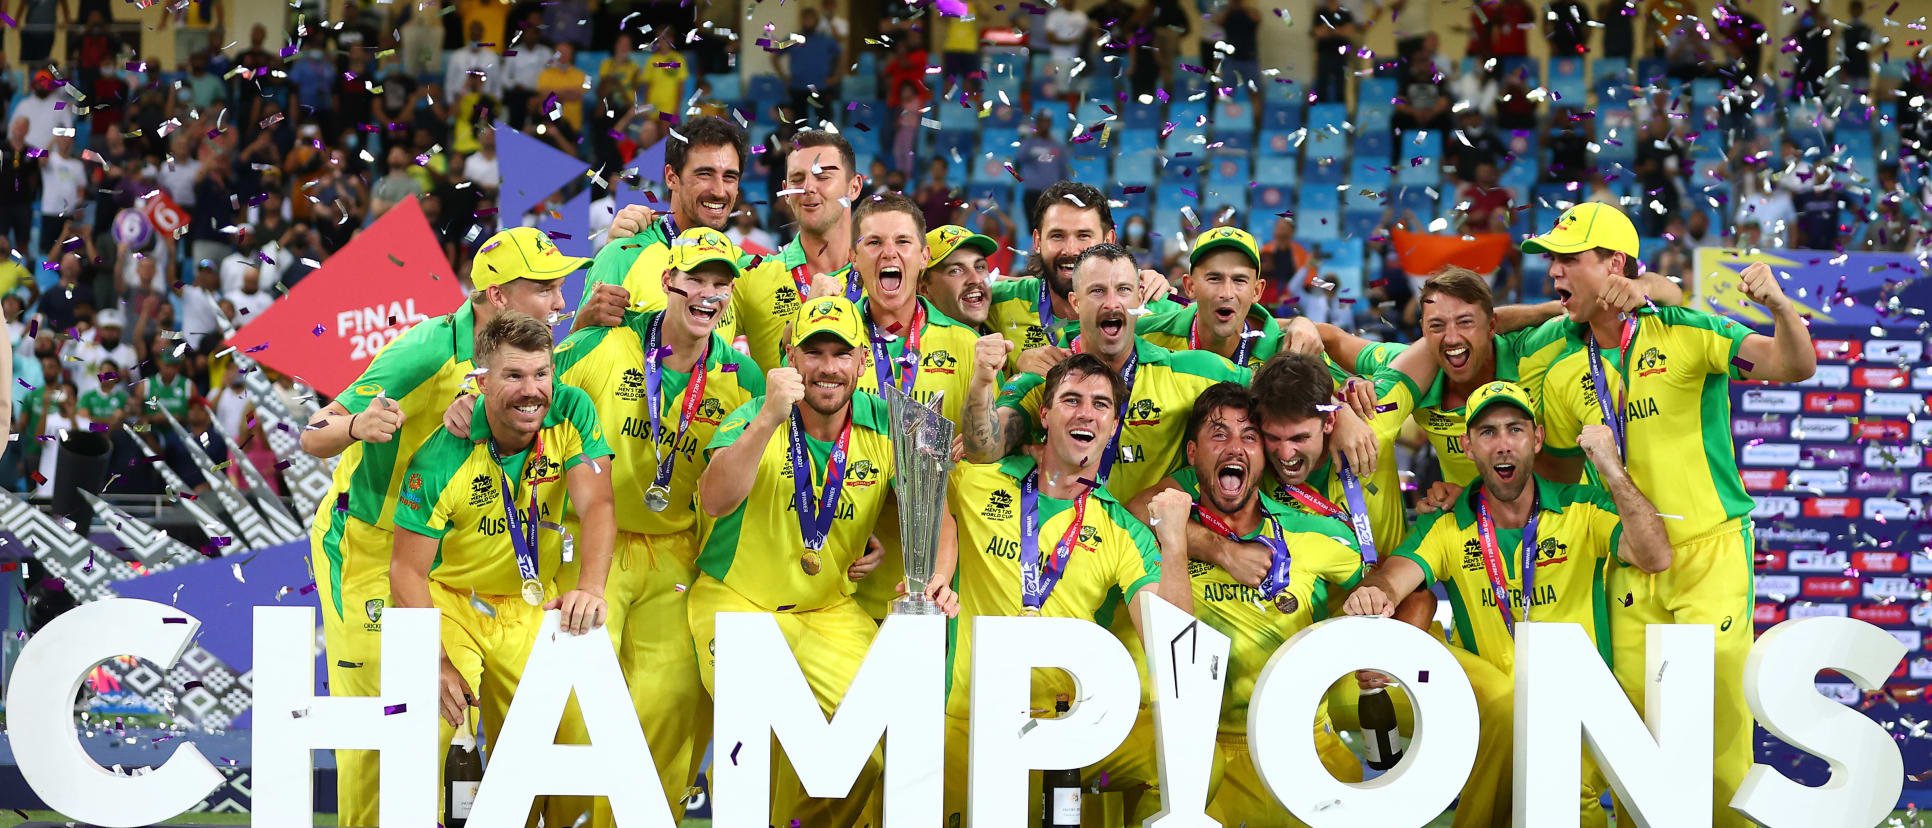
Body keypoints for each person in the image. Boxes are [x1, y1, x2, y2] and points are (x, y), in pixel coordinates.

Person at [1523, 203, 1816, 828]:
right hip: (1629, 560)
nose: (1553, 273)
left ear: (1615, 266)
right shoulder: (1562, 365)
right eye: (1550, 260)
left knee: (1712, 728)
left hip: (1710, 554)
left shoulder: (1685, 331)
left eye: (1568, 260)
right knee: (1637, 729)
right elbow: (1553, 469)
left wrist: (1781, 308)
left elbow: (1794, 365)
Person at [298, 226, 584, 828]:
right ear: (498, 297)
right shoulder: (427, 348)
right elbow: (314, 431)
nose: (560, 301)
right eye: (546, 288)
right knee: (382, 723)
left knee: (445, 718)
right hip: (366, 546)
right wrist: (356, 427)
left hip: (437, 555)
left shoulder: (518, 359)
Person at [1343, 380, 1673, 828]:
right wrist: (1375, 592)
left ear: (1536, 439)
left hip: (1577, 715)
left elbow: (1657, 556)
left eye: (1515, 430)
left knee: (1569, 805)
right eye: (1488, 433)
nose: (1503, 446)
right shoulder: (1449, 526)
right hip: (1495, 722)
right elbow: (1396, 576)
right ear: (1467, 445)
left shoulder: (1582, 509)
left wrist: (1612, 471)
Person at [690, 295, 947, 828]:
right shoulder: (754, 414)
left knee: (885, 743)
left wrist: (937, 576)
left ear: (860, 361)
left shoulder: (891, 422)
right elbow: (714, 500)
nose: (827, 367)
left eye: (840, 353)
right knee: (756, 736)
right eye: (813, 353)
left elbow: (936, 505)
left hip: (828, 610)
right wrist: (766, 419)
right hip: (739, 604)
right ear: (790, 355)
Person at [542, 227, 762, 825]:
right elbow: (528, 383)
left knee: (668, 705)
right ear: (668, 281)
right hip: (592, 549)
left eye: (721, 285)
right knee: (574, 710)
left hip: (677, 556)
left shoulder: (742, 378)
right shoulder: (602, 344)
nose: (708, 295)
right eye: (695, 280)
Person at [942, 351, 1196, 825]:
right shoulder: (977, 480)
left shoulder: (1123, 531)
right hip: (969, 724)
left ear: (1114, 423)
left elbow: (1175, 649)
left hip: (1069, 732)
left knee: (1189, 767)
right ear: (1044, 413)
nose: (1086, 413)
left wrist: (1176, 541)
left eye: (1100, 404)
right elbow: (922, 492)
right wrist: (941, 556)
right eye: (1071, 400)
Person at [390, 310, 615, 826]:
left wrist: (591, 587)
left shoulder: (571, 410)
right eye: (513, 376)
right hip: (453, 602)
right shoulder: (442, 458)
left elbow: (597, 505)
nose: (531, 390)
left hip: (532, 603)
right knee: (432, 726)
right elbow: (406, 570)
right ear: (482, 380)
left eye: (540, 374)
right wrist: (437, 661)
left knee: (566, 741)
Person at [1125, 382, 1367, 827]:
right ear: (1193, 455)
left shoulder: (1315, 531)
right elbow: (1134, 510)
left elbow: (1392, 584)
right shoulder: (1162, 530)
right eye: (1219, 435)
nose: (1235, 446)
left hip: (1304, 749)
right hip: (1201, 752)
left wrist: (1378, 620)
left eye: (1249, 436)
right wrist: (1217, 548)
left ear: (1264, 457)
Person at [967, 243, 1251, 502]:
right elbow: (984, 450)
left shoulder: (1193, 372)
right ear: (1076, 303)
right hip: (1057, 549)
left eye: (1123, 290)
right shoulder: (1045, 377)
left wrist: (1294, 326)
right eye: (1097, 291)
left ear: (1139, 300)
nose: (1112, 303)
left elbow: (1278, 401)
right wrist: (981, 384)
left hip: (1145, 550)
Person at [843, 194, 983, 618]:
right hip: (849, 559)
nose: (889, 252)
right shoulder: (830, 341)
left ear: (923, 256)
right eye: (873, 243)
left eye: (903, 242)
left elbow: (982, 452)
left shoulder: (965, 345)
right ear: (852, 257)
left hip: (941, 567)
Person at [577, 116, 748, 343]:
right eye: (704, 174)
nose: (719, 190)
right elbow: (573, 361)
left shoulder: (739, 265)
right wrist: (581, 323)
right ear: (671, 177)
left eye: (729, 177)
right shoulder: (623, 252)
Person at [983, 181, 1178, 372]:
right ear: (1037, 241)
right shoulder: (999, 301)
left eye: (1084, 235)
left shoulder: (1155, 305)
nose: (1070, 250)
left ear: (1108, 240)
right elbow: (957, 283)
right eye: (1057, 236)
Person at [728, 129, 865, 372]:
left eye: (823, 176)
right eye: (798, 179)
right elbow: (688, 346)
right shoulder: (750, 276)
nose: (808, 187)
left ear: (854, 187)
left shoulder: (884, 277)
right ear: (786, 193)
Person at [919, 224, 997, 331]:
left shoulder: (1009, 324)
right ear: (924, 289)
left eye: (979, 267)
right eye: (955, 271)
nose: (976, 280)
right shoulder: (915, 345)